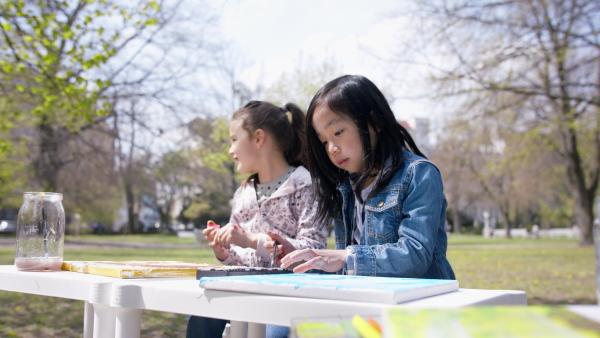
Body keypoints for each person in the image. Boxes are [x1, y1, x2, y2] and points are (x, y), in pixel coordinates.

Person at [279, 75, 455, 281]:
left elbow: (415, 255)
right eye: (324, 141)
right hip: (370, 301)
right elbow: (347, 266)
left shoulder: (419, 174)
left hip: (419, 305)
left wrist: (348, 257)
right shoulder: (344, 188)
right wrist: (303, 259)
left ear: (375, 121)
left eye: (338, 132)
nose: (332, 148)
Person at [186, 101, 328, 338]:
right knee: (200, 314)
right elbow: (238, 259)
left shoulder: (307, 186)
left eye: (234, 139)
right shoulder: (243, 193)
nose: (230, 150)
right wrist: (224, 252)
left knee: (271, 334)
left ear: (258, 138)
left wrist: (252, 240)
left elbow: (313, 253)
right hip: (242, 290)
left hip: (288, 296)